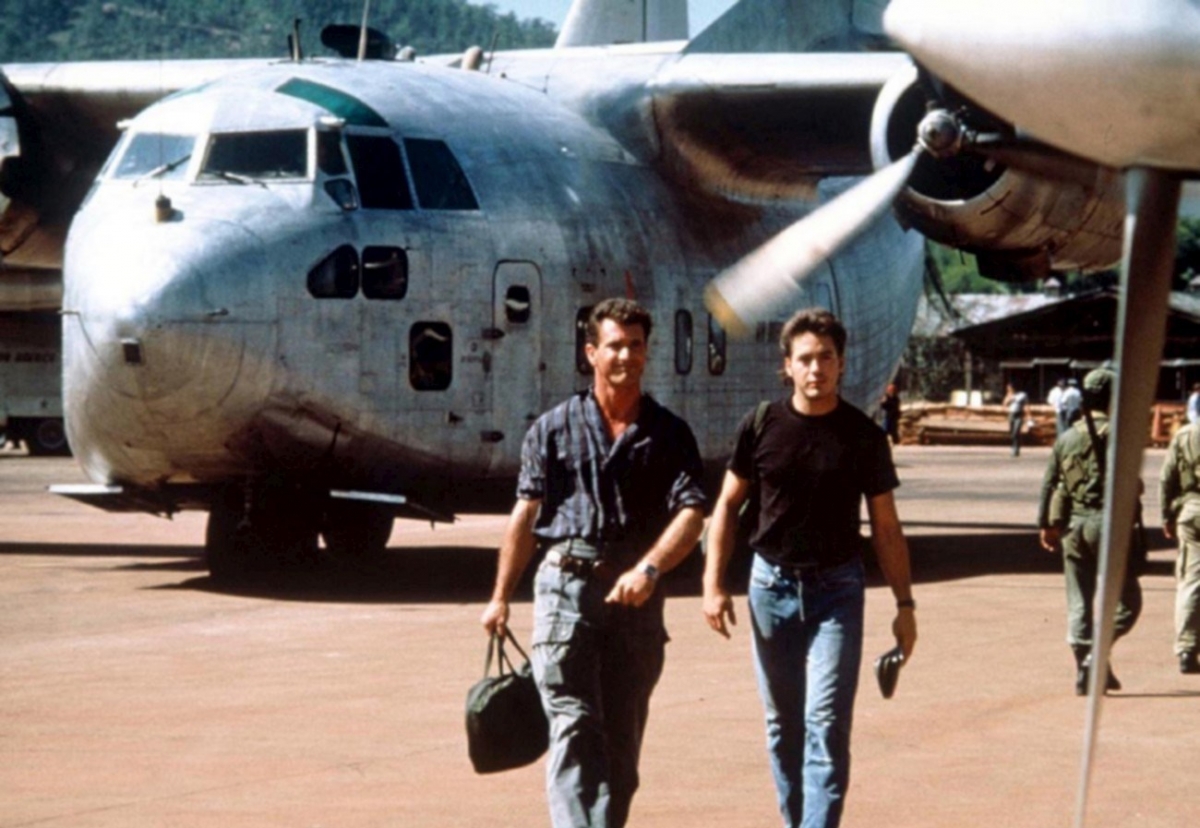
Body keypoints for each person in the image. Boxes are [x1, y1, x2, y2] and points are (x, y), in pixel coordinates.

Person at [480, 297, 707, 828]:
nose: (626, 356)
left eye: (636, 346)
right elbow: (526, 513)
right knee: (574, 725)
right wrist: (499, 598)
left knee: (621, 749)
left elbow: (692, 512)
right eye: (615, 346)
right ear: (591, 353)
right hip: (566, 589)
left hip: (636, 599)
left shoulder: (670, 434)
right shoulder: (552, 428)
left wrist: (650, 568)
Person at [702, 308, 917, 828]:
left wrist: (905, 605)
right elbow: (727, 505)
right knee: (783, 724)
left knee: (826, 722)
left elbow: (886, 527)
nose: (816, 368)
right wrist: (712, 584)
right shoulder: (761, 425)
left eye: (826, 357)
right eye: (805, 359)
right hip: (769, 587)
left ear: (841, 364)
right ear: (787, 366)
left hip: (837, 592)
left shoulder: (863, 436)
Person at [1037, 367, 1143, 695]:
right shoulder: (1119, 434)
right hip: (1107, 524)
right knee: (1128, 602)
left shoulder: (1067, 437)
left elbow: (1049, 483)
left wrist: (1045, 524)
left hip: (1073, 526)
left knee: (1079, 599)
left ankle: (1087, 667)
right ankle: (1095, 657)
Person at [1159, 421, 1200, 674]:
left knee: (1191, 581)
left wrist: (1166, 516)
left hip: (1192, 512)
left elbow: (1167, 478)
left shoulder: (1185, 434)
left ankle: (1186, 648)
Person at [1003, 383, 1029, 457]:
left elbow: (1026, 405)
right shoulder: (1009, 395)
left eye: (1010, 388)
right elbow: (1004, 404)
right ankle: (1014, 446)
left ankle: (1016, 449)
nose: (1009, 389)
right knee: (1012, 433)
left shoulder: (1022, 395)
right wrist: (1009, 397)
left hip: (1019, 414)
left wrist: (1028, 415)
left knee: (1016, 432)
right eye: (1008, 388)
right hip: (1011, 414)